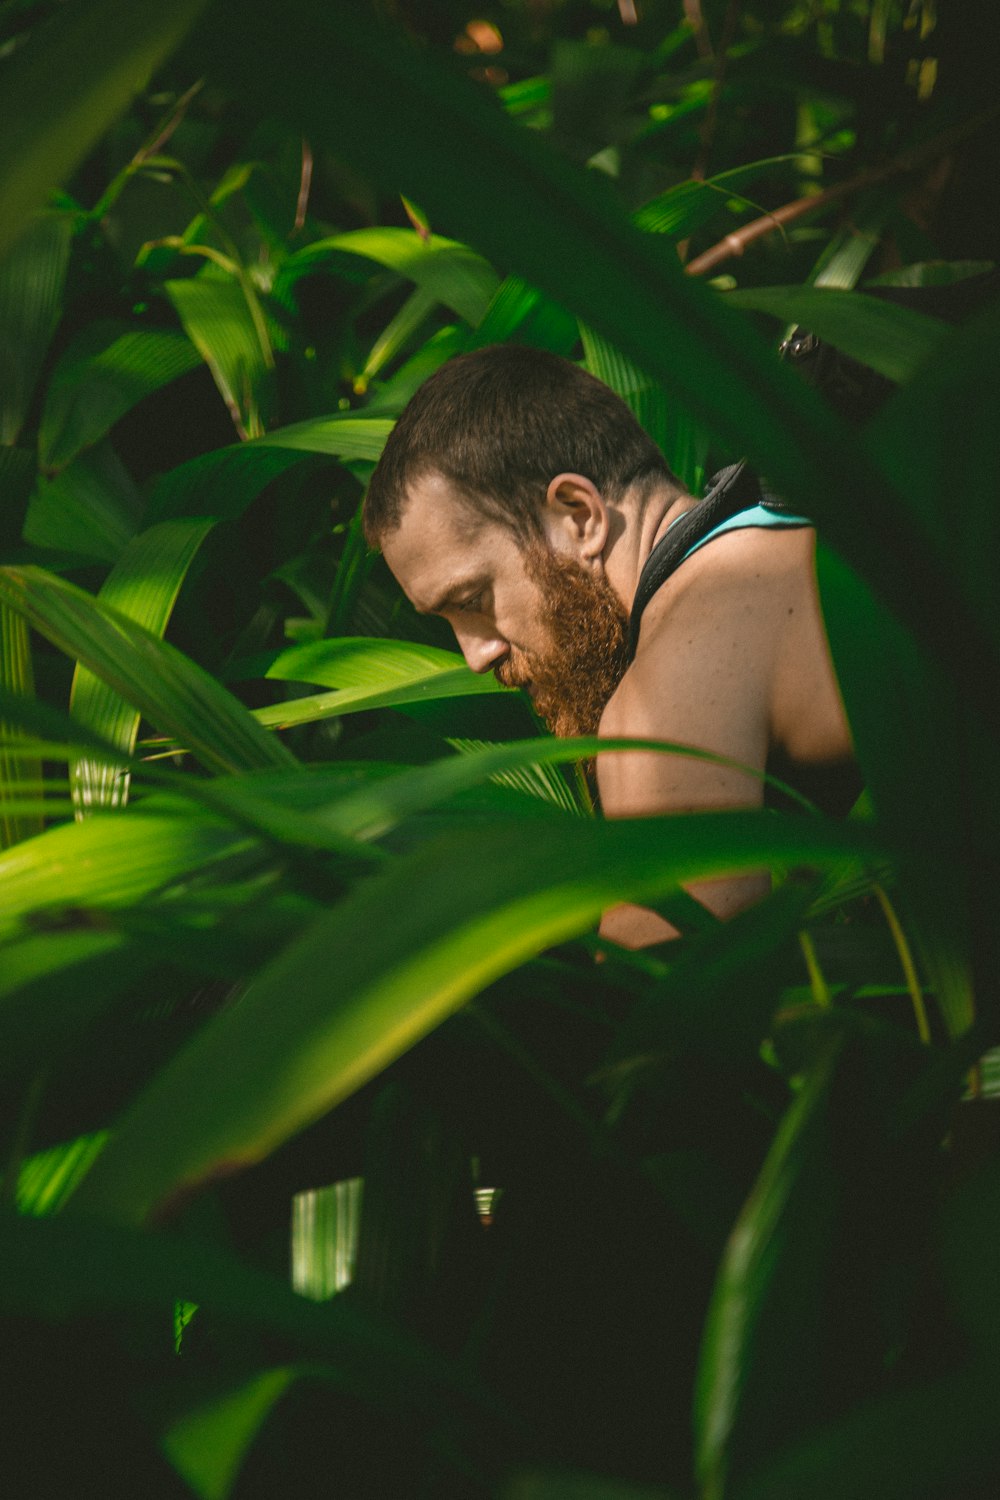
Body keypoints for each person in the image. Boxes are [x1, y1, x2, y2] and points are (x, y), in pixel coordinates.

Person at [362, 343, 857, 947]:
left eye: (473, 600)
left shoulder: (667, 694)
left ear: (579, 514)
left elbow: (674, 1018)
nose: (475, 656)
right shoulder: (798, 519)